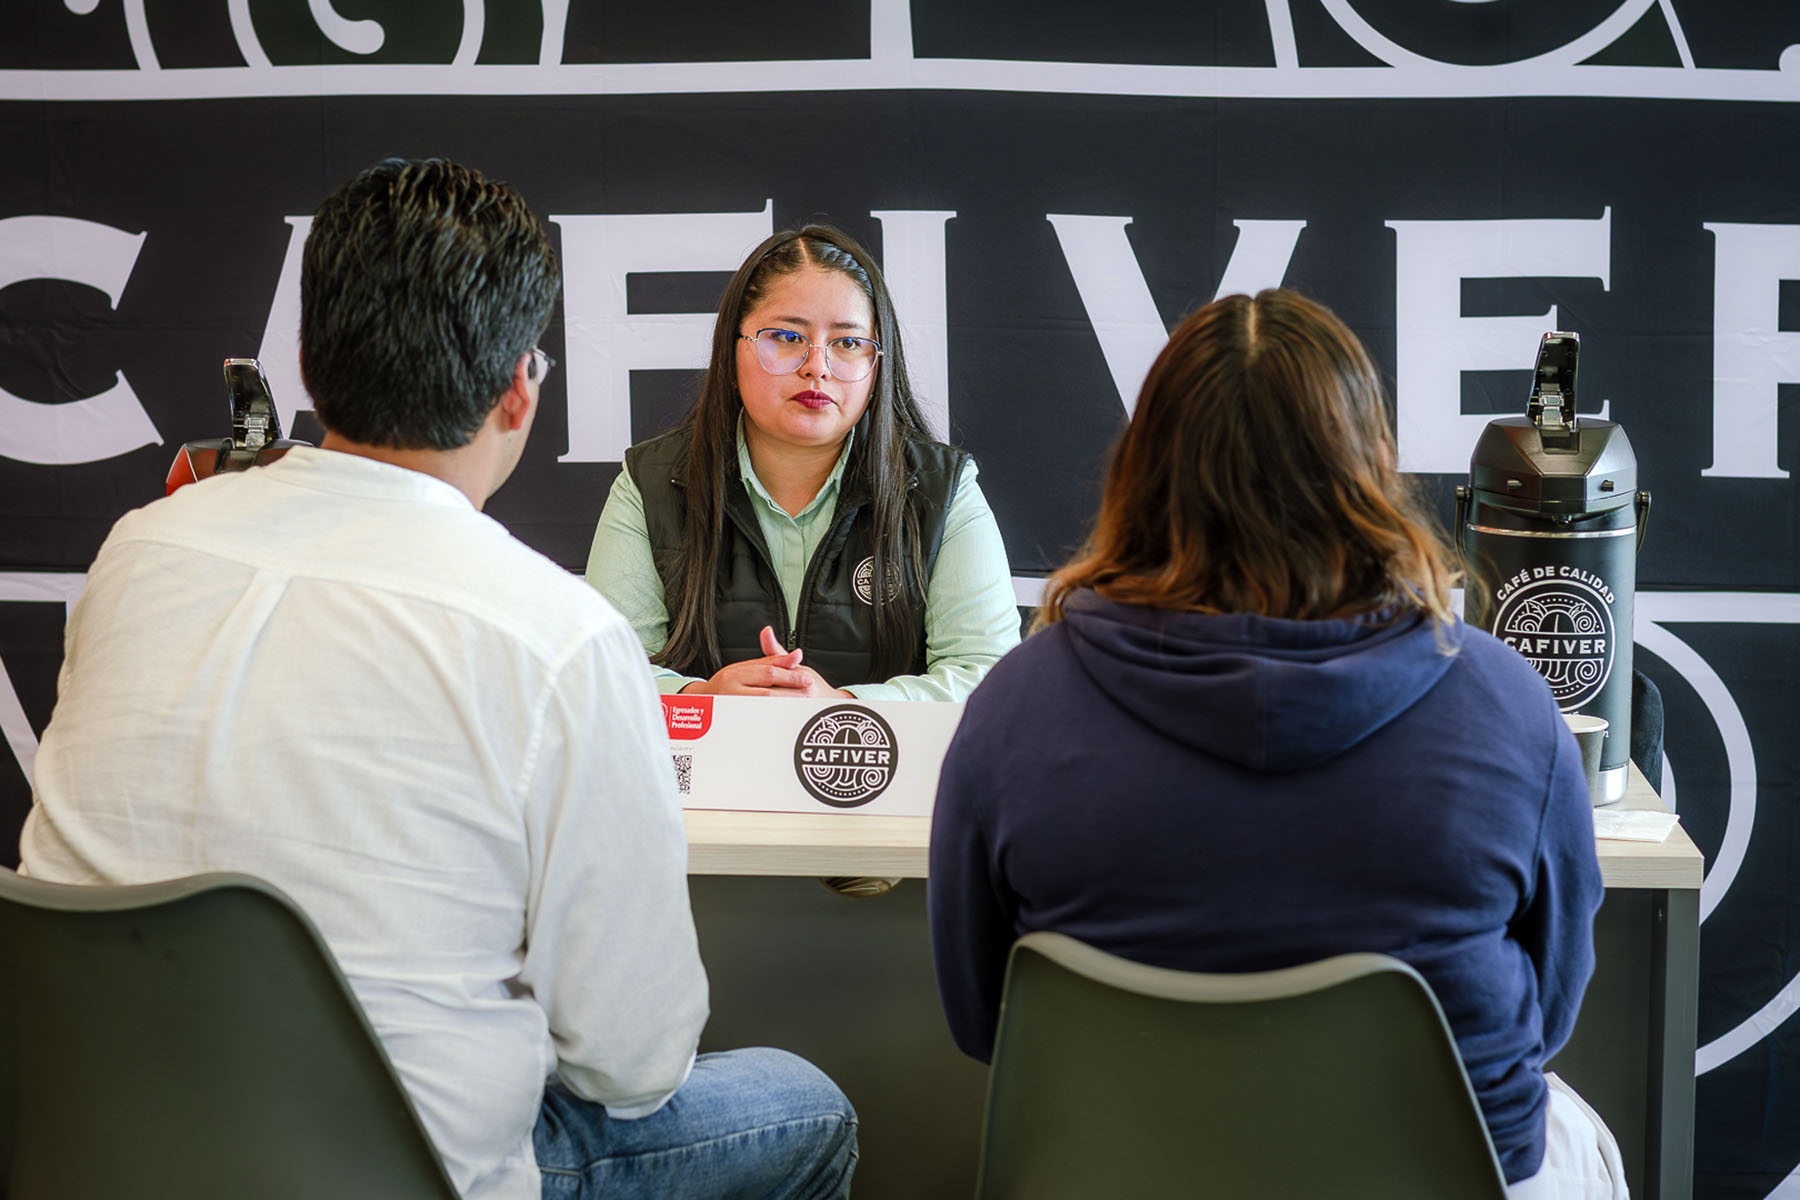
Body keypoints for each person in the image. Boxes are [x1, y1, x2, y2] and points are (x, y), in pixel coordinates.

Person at [19, 158, 857, 1200]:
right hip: (398, 1175)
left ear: (307, 364)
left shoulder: (137, 551)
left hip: (92, 1147)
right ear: (519, 390)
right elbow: (635, 1064)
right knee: (806, 1106)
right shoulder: (558, 638)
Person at [928, 289, 1625, 1199]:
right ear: (1373, 469)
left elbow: (981, 1019)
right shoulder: (1506, 704)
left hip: (1117, 1178)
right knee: (1574, 1130)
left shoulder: (1015, 706)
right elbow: (1551, 1009)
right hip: (1446, 1181)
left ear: (1141, 472)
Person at [585, 224, 1020, 703]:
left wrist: (842, 711)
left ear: (878, 363)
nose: (817, 366)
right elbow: (607, 673)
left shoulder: (942, 490)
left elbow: (989, 676)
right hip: (709, 755)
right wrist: (703, 698)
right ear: (733, 347)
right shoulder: (651, 483)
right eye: (787, 336)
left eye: (848, 343)